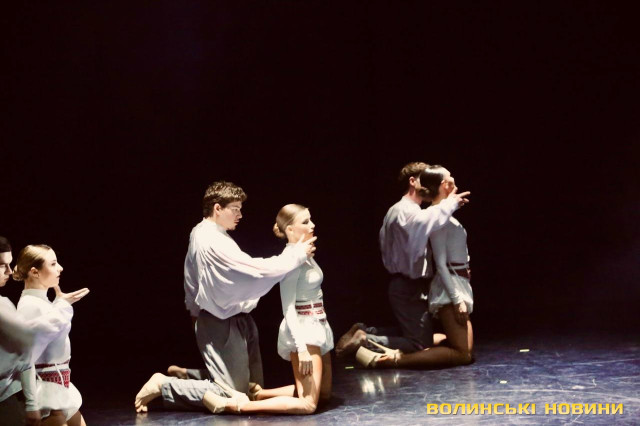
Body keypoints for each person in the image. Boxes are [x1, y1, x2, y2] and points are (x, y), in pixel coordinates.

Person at [134, 181, 317, 413]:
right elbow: (253, 271)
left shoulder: (215, 234)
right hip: (221, 321)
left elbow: (190, 278)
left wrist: (193, 310)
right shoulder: (207, 239)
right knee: (234, 395)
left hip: (238, 319)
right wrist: (296, 256)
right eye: (235, 209)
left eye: (241, 209)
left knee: (253, 388)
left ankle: (188, 375)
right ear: (217, 208)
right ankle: (166, 385)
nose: (240, 215)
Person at [201, 204, 332, 414]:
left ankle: (258, 394)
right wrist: (301, 348)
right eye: (306, 221)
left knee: (324, 394)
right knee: (308, 404)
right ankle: (237, 405)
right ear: (290, 229)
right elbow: (288, 307)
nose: (312, 225)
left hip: (317, 324)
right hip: (304, 329)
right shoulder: (292, 261)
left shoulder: (304, 254)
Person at [336, 162, 469, 357]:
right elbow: (424, 221)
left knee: (419, 334)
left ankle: (366, 332)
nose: (429, 187)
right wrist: (450, 204)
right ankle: (366, 340)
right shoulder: (405, 210)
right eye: (425, 181)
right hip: (407, 286)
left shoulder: (403, 209)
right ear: (412, 181)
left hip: (407, 285)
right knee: (419, 344)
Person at [14, 244, 90, 426]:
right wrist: (63, 305)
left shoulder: (41, 302)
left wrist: (60, 303)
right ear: (35, 272)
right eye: (53, 264)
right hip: (47, 394)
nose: (60, 268)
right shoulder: (29, 305)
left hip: (59, 387)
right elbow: (27, 356)